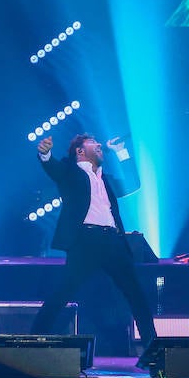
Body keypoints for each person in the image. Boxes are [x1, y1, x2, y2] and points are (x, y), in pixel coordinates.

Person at [30, 133, 158, 364]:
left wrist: (120, 151)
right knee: (63, 292)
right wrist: (45, 152)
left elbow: (132, 181)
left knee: (136, 294)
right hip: (85, 241)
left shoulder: (104, 178)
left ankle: (152, 351)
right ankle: (31, 344)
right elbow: (53, 168)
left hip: (113, 240)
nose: (99, 145)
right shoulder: (70, 171)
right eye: (93, 143)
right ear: (80, 151)